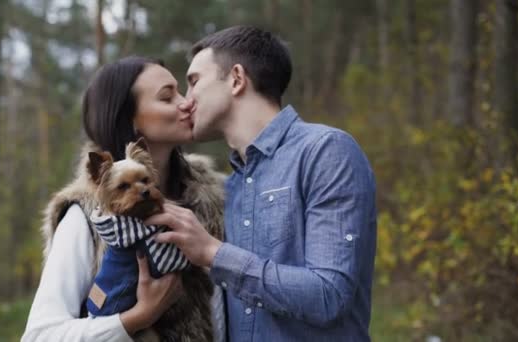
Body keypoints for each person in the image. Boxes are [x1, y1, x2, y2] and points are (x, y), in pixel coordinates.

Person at [147, 26, 377, 341]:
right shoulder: (228, 188)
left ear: (237, 78)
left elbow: (328, 295)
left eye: (194, 81)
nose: (185, 102)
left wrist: (213, 254)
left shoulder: (326, 151)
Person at [22, 56, 226, 342]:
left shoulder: (217, 200)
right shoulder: (88, 217)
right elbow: (40, 336)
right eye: (167, 97)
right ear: (130, 120)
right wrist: (139, 317)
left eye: (181, 91)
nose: (186, 102)